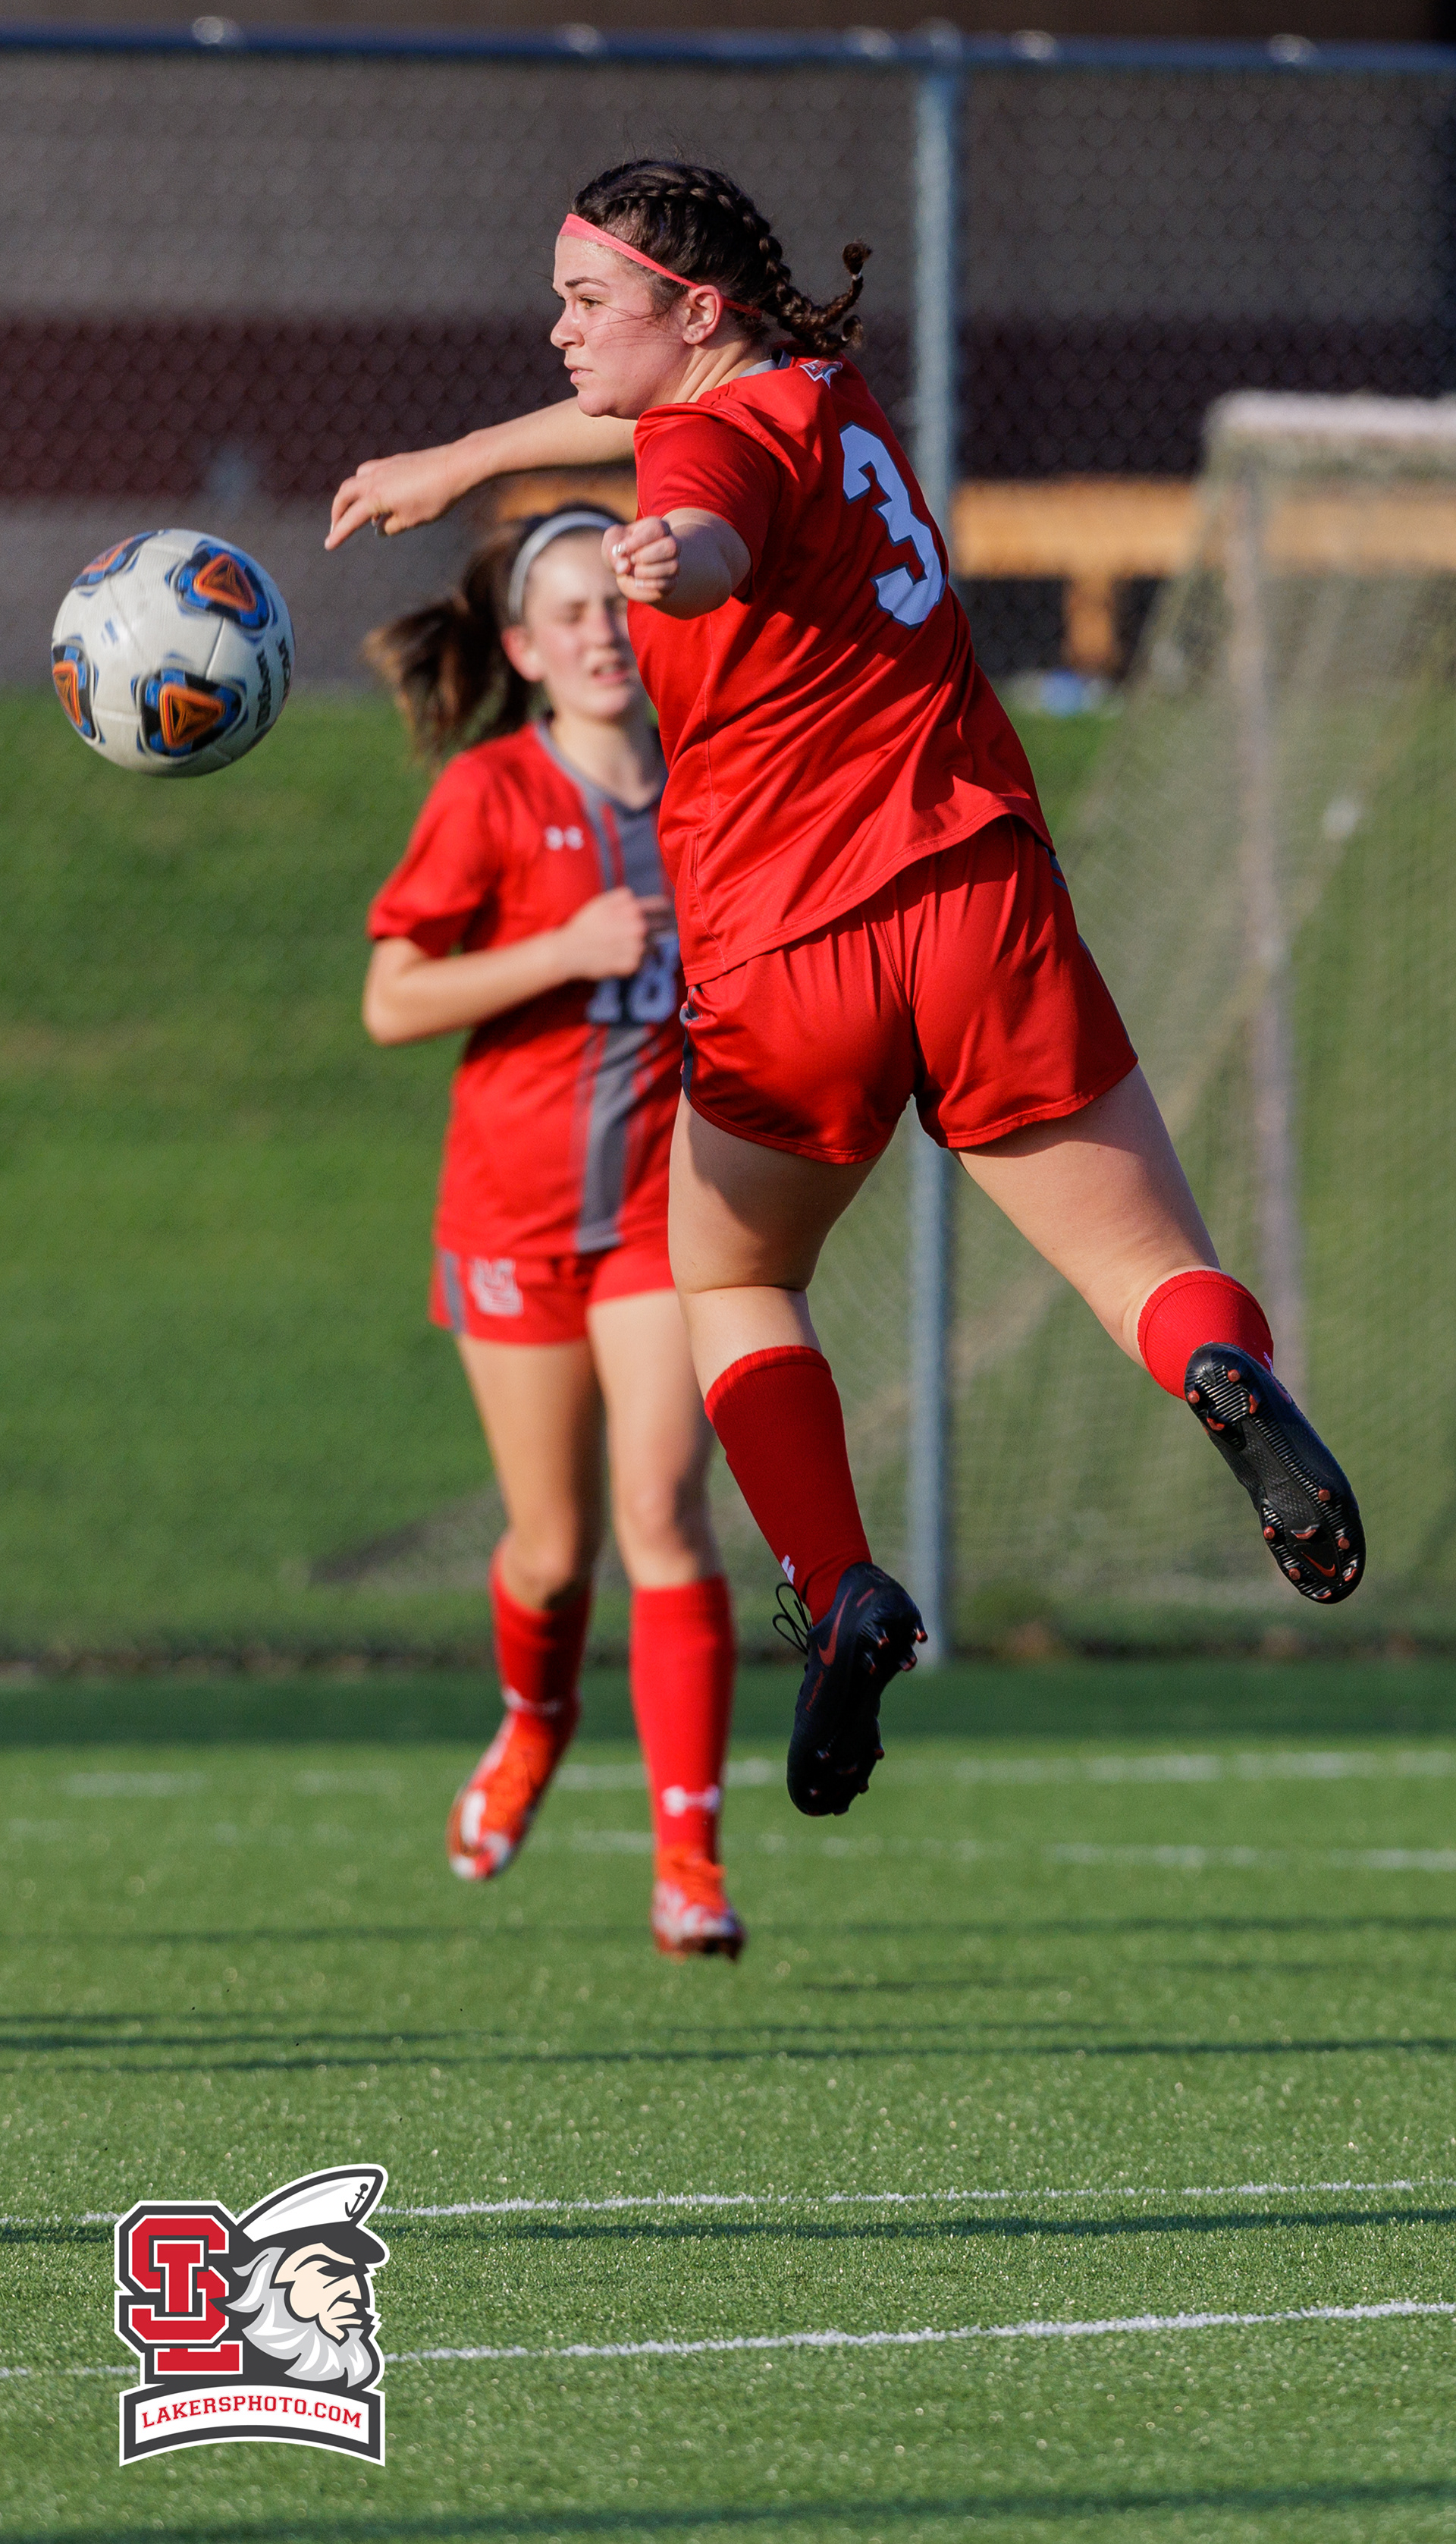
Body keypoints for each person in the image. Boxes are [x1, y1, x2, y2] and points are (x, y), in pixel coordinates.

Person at [331, 160, 1365, 1823]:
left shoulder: (699, 458)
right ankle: (1218, 1381)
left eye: (586, 301)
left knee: (733, 1276)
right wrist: (466, 461)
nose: (560, 328)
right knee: (1146, 1270)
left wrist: (676, 564)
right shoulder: (825, 388)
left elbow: (704, 518)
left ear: (694, 311)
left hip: (786, 948)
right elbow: (670, 435)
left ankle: (843, 1586)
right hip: (975, 894)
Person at [361, 504, 742, 1956]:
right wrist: (560, 952)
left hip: (661, 1223)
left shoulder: (717, 785)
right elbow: (393, 999)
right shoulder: (493, 794)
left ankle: (689, 1861)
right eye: (570, 614)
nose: (603, 635)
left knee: (662, 1508)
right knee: (552, 1548)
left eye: (619, 606)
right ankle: (534, 1723)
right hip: (512, 1220)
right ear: (521, 648)